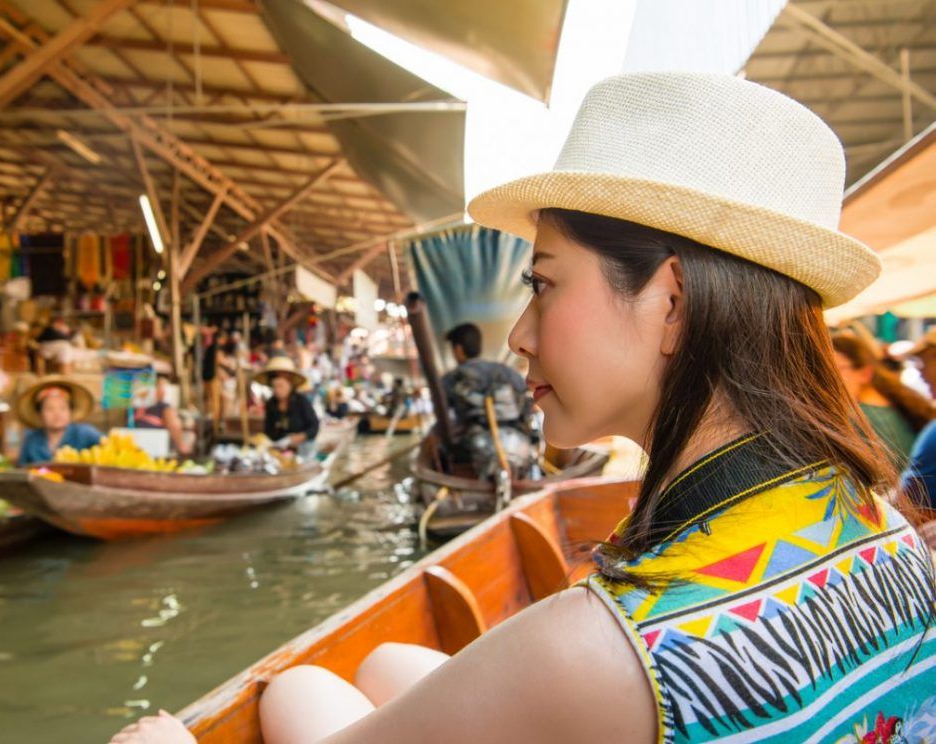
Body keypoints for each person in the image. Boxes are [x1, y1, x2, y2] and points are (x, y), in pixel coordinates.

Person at [110, 73, 936, 744]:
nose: (522, 336)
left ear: (672, 303)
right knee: (394, 662)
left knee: (296, 692)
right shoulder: (883, 523)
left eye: (542, 283)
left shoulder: (597, 651)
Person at [440, 322, 536, 477]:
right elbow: (526, 402)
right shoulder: (507, 372)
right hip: (518, 446)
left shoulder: (451, 379)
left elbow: (444, 418)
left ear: (458, 349)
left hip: (472, 453)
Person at [832, 333, 935, 470]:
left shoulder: (859, 418)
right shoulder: (895, 403)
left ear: (865, 373)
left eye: (835, 370)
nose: (826, 379)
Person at [16, 377, 103, 466]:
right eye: (50, 409)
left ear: (70, 411)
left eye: (62, 408)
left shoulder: (85, 434)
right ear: (40, 414)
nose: (57, 414)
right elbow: (21, 470)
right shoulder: (32, 440)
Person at [255, 357, 319, 456]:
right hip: (280, 450)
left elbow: (314, 426)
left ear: (290, 385)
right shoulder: (271, 404)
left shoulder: (301, 401)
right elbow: (269, 431)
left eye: (281, 386)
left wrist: (299, 437)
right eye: (274, 386)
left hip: (303, 448)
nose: (277, 390)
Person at [133, 373, 193, 457]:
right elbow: (174, 425)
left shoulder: (136, 406)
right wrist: (181, 446)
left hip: (135, 448)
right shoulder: (164, 406)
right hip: (156, 449)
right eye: (162, 387)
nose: (164, 391)